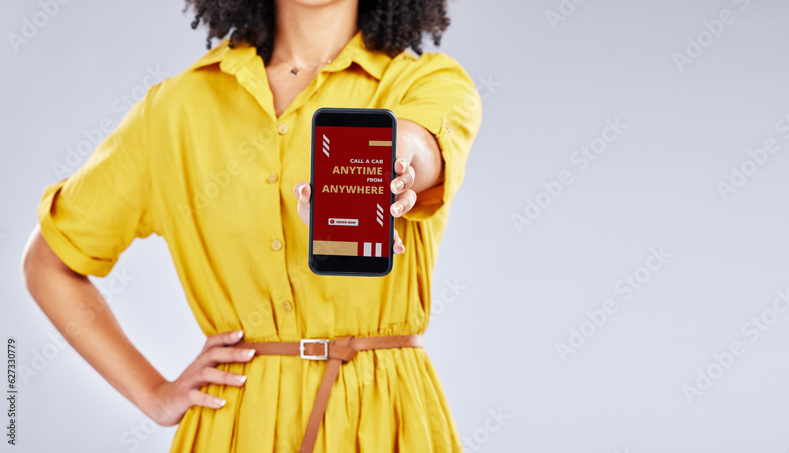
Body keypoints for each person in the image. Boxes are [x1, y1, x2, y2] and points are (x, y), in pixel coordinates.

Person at [20, 0, 482, 451]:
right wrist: (153, 395)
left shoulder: (429, 82)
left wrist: (385, 169)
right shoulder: (175, 109)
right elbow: (49, 263)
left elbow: (417, 146)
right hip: (236, 424)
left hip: (385, 420)